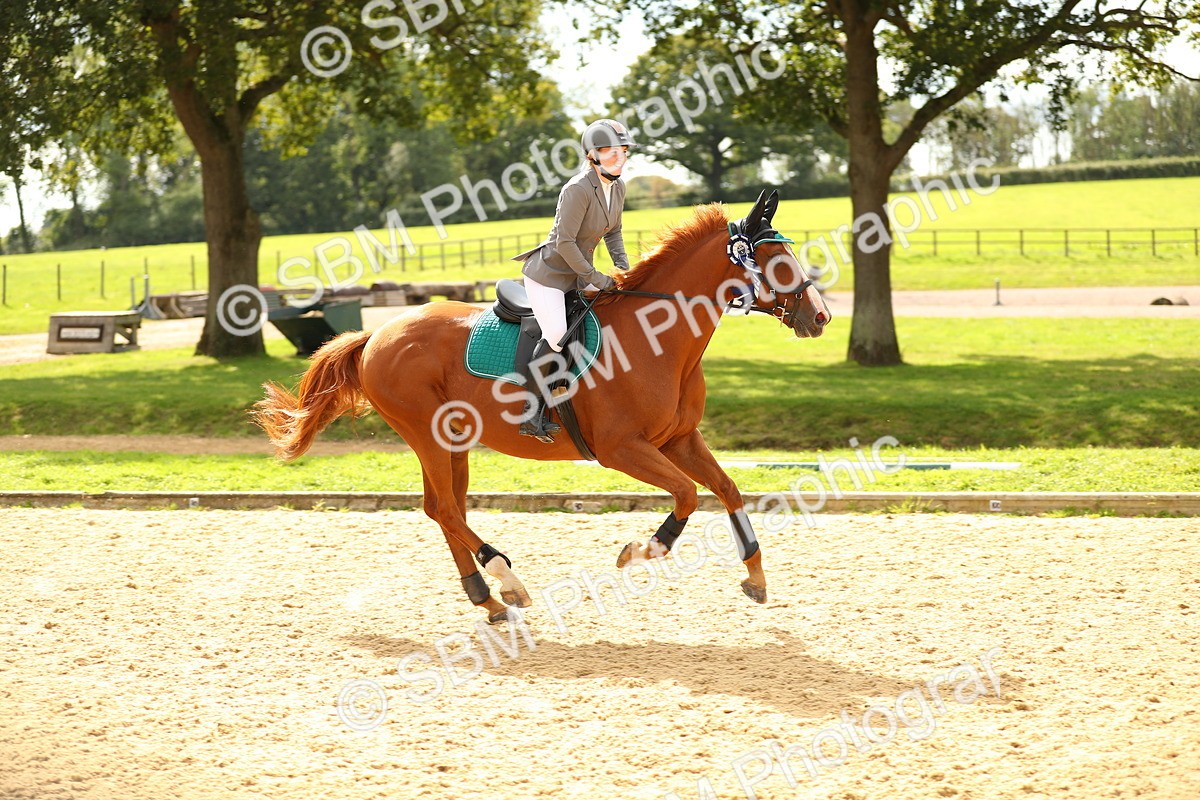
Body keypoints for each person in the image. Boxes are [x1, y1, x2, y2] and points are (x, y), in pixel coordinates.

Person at [510, 119, 635, 442]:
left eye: (623, 152)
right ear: (592, 155)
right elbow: (565, 242)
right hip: (549, 275)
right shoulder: (578, 189)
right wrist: (593, 277)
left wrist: (625, 270)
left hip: (577, 275)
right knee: (557, 333)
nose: (619, 159)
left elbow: (615, 232)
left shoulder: (618, 187)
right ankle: (529, 412)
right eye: (611, 153)